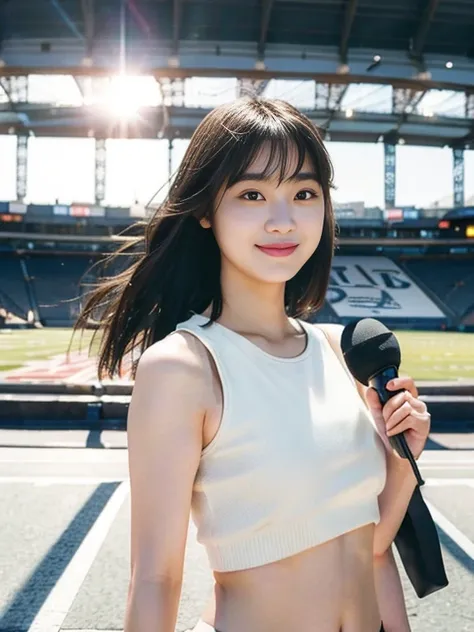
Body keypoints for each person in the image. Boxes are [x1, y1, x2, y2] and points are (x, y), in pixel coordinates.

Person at [74, 97, 430, 632]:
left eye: (304, 193)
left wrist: (404, 454)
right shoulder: (183, 368)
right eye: (252, 194)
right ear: (205, 210)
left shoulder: (342, 350)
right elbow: (156, 578)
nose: (283, 220)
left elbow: (370, 545)